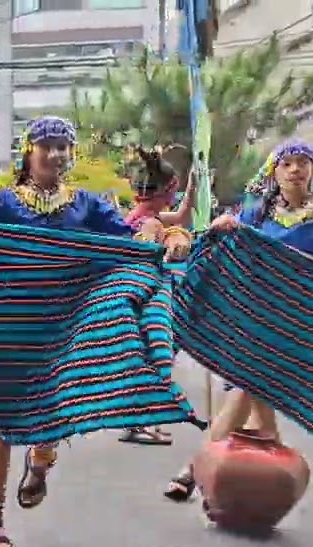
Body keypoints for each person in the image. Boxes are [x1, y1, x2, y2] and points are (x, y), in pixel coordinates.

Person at [0, 115, 190, 547]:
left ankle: (41, 463)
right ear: (30, 151)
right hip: (12, 330)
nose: (57, 153)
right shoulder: (2, 203)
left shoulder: (89, 205)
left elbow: (129, 245)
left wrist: (167, 232)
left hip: (67, 327)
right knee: (3, 421)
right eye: (48, 145)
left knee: (56, 407)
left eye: (64, 146)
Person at [166, 139, 313, 501]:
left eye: (302, 162)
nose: (296, 169)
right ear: (275, 172)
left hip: (296, 324)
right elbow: (230, 247)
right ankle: (264, 482)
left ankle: (195, 467)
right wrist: (219, 228)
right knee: (254, 390)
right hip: (254, 317)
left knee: (251, 383)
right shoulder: (256, 215)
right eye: (288, 163)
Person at [118, 146, 197, 446]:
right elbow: (144, 257)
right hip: (145, 299)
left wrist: (193, 187)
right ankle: (137, 423)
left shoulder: (145, 214)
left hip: (140, 297)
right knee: (150, 357)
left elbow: (182, 216)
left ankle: (141, 420)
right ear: (167, 190)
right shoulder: (149, 224)